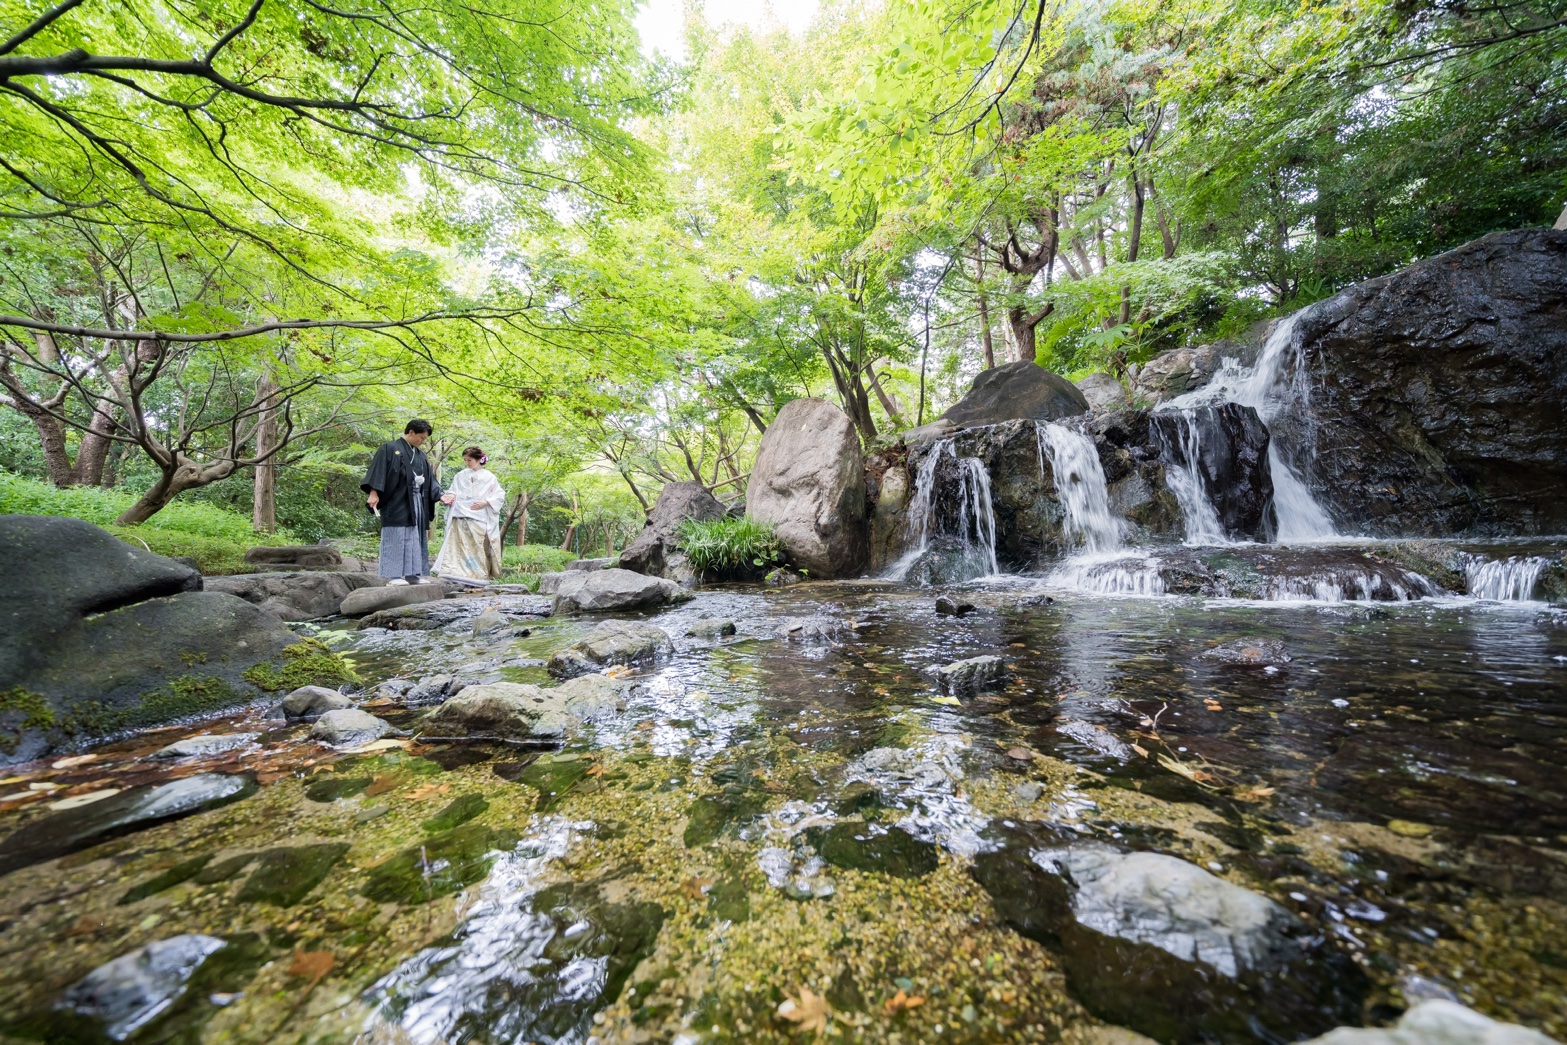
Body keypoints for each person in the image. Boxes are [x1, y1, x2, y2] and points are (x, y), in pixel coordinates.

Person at [361, 419, 442, 584]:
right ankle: (394, 575)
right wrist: (373, 493)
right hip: (396, 499)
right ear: (411, 432)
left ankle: (413, 574)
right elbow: (378, 472)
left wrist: (441, 494)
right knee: (396, 534)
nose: (423, 442)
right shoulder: (389, 448)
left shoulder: (420, 455)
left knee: (416, 535)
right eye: (421, 437)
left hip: (417, 500)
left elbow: (430, 480)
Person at [432, 446, 507, 584]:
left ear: (479, 460)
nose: (467, 463)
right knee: (457, 545)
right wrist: (449, 496)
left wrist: (486, 502)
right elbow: (454, 490)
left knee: (477, 545)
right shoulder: (460, 475)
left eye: (470, 460)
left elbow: (499, 495)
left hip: (479, 516)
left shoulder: (489, 477)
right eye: (465, 460)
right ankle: (453, 572)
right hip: (460, 513)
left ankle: (477, 575)